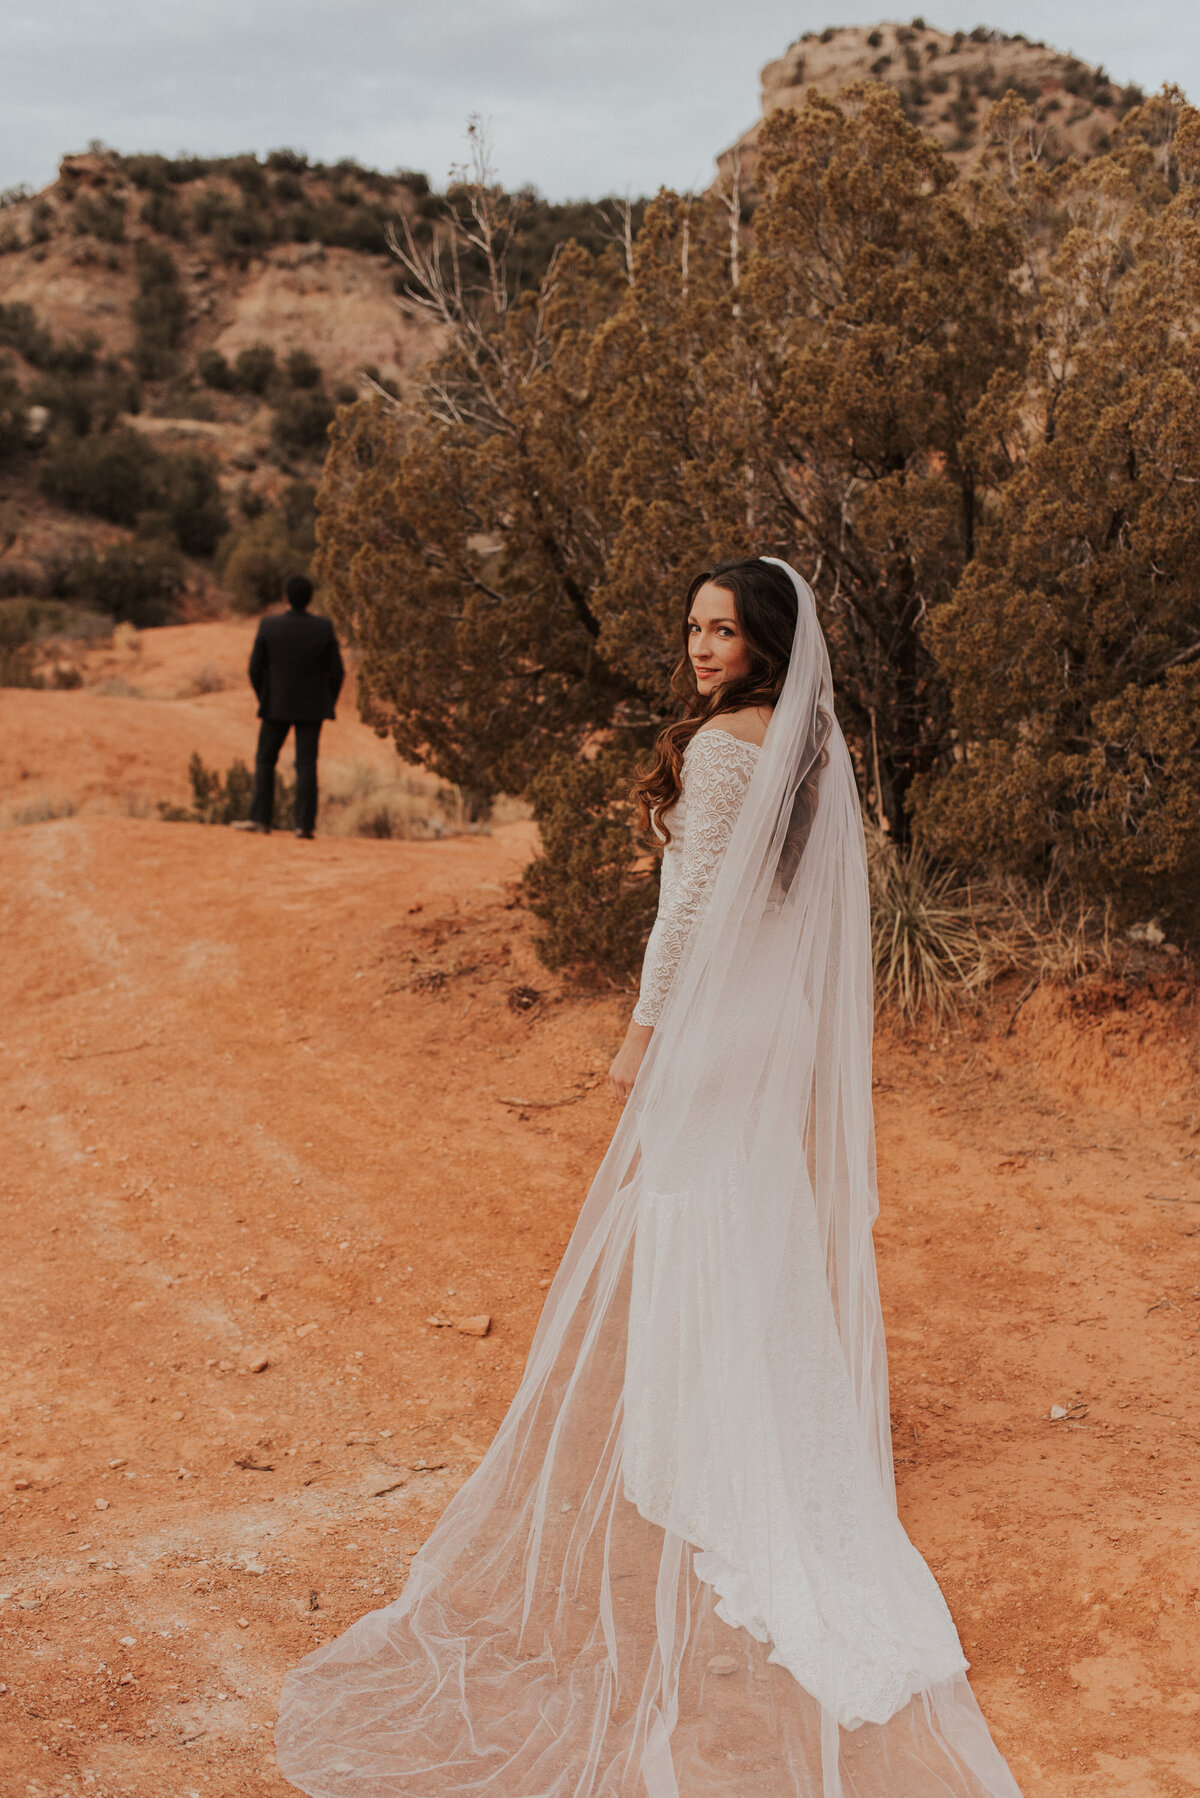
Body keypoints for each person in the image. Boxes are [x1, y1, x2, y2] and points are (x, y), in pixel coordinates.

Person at [275, 559, 1024, 1797]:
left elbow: (684, 913)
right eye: (692, 628)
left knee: (696, 1210)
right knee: (747, 1213)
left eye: (723, 630)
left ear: (767, 642)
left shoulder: (732, 752)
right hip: (769, 1022)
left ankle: (710, 1447)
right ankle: (740, 1436)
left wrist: (639, 1037)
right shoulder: (809, 747)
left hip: (712, 1024)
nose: (700, 647)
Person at [235, 574, 344, 839]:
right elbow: (337, 672)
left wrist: (265, 696)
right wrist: (326, 699)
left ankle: (260, 820)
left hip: (276, 705)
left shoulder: (269, 626)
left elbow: (254, 668)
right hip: (312, 707)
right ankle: (304, 826)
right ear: (310, 599)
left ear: (285, 598)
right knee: (306, 764)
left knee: (265, 759)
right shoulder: (323, 628)